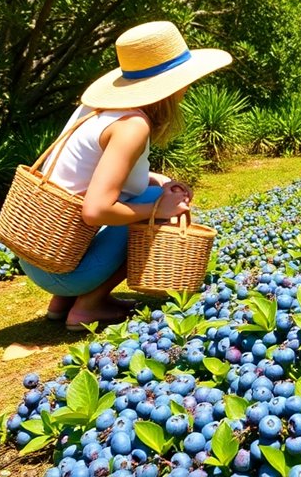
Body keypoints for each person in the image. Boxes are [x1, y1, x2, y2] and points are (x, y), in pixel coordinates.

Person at [16, 21, 232, 330]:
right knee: (158, 202)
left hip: (42, 256)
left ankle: (63, 302)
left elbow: (101, 177)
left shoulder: (96, 108)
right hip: (65, 271)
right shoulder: (133, 125)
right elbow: (95, 210)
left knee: (155, 192)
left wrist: (158, 180)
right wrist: (161, 209)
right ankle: (88, 305)